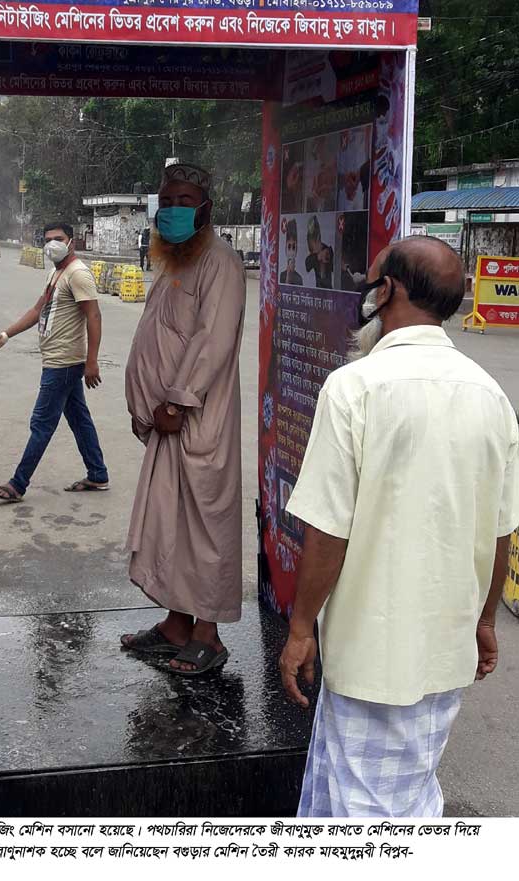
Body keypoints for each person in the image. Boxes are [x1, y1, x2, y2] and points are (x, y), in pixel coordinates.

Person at [278, 236, 519, 817]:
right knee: (405, 791)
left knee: (371, 815)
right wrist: (485, 622)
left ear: (387, 293)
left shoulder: (354, 387)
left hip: (371, 656)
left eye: (375, 276)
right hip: (445, 649)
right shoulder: (491, 395)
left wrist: (301, 628)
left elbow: (328, 531)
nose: (367, 280)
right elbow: (500, 533)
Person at [121, 163, 246, 675]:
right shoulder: (175, 259)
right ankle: (177, 624)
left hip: (196, 422)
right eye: (166, 200)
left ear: (206, 208)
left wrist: (175, 401)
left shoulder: (221, 262)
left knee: (204, 529)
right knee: (171, 526)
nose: (173, 209)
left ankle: (208, 637)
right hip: (167, 424)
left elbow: (211, 341)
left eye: (184, 199)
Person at [0, 221, 108, 502]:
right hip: (60, 360)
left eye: (59, 238)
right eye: (48, 238)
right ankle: (98, 474)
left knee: (41, 423)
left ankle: (17, 484)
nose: (52, 243)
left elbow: (94, 316)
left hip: (63, 363)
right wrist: (6, 334)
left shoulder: (78, 274)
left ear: (71, 242)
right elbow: (38, 309)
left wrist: (92, 361)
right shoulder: (56, 271)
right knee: (79, 419)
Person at [305, 215, 333, 289]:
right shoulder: (314, 257)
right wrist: (318, 256)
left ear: (317, 239)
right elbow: (307, 264)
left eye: (313, 248)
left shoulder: (328, 251)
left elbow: (334, 266)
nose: (313, 252)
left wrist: (325, 256)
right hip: (318, 290)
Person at [280, 218, 303, 285]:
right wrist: (288, 274)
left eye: (293, 247)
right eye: (289, 246)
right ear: (285, 248)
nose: (291, 251)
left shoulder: (299, 278)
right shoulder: (282, 275)